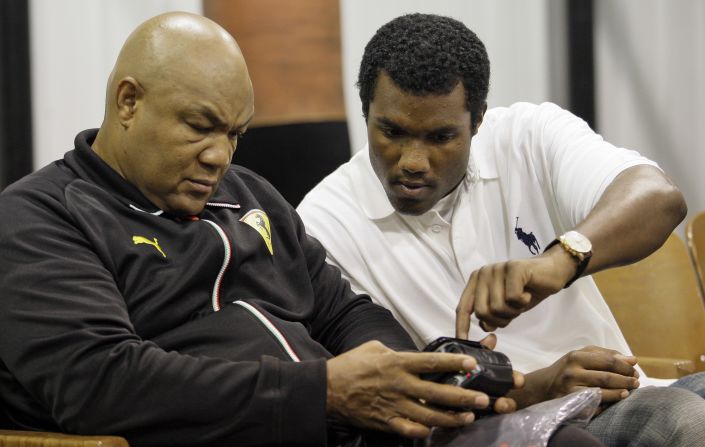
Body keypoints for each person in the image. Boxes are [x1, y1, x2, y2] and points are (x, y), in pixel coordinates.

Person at [0, 12, 536, 447]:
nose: (218, 156)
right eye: (199, 126)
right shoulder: (43, 217)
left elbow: (342, 310)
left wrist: (409, 378)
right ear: (128, 101)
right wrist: (322, 392)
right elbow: (102, 383)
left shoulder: (249, 193)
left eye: (235, 133)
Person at [297, 12, 705, 446]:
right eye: (392, 132)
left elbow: (659, 196)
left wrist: (560, 260)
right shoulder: (324, 225)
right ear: (366, 111)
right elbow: (390, 399)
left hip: (625, 396)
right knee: (683, 420)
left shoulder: (529, 137)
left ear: (478, 122)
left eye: (440, 137)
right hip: (505, 430)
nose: (413, 161)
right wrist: (538, 387)